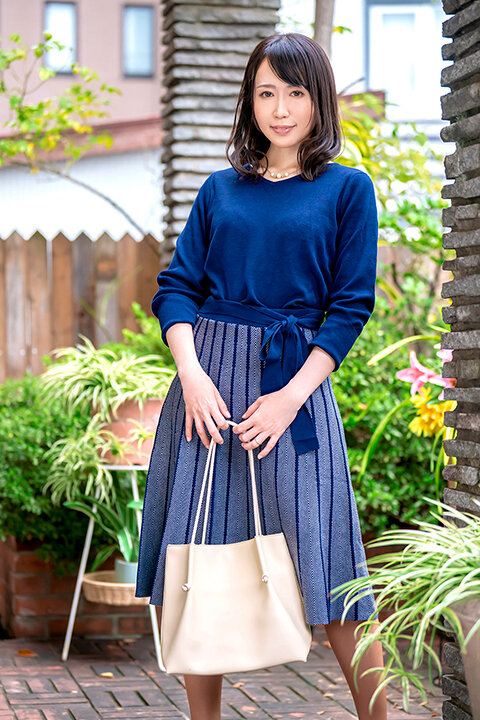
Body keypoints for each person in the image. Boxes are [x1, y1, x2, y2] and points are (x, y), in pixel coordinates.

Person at [135, 32, 387, 720]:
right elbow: (176, 288)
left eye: (295, 93)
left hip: (293, 390)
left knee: (332, 568)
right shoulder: (220, 190)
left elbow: (350, 307)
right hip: (207, 392)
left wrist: (288, 400)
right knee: (198, 557)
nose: (280, 109)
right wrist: (191, 376)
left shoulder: (348, 189)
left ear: (318, 100)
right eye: (266, 93)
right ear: (249, 101)